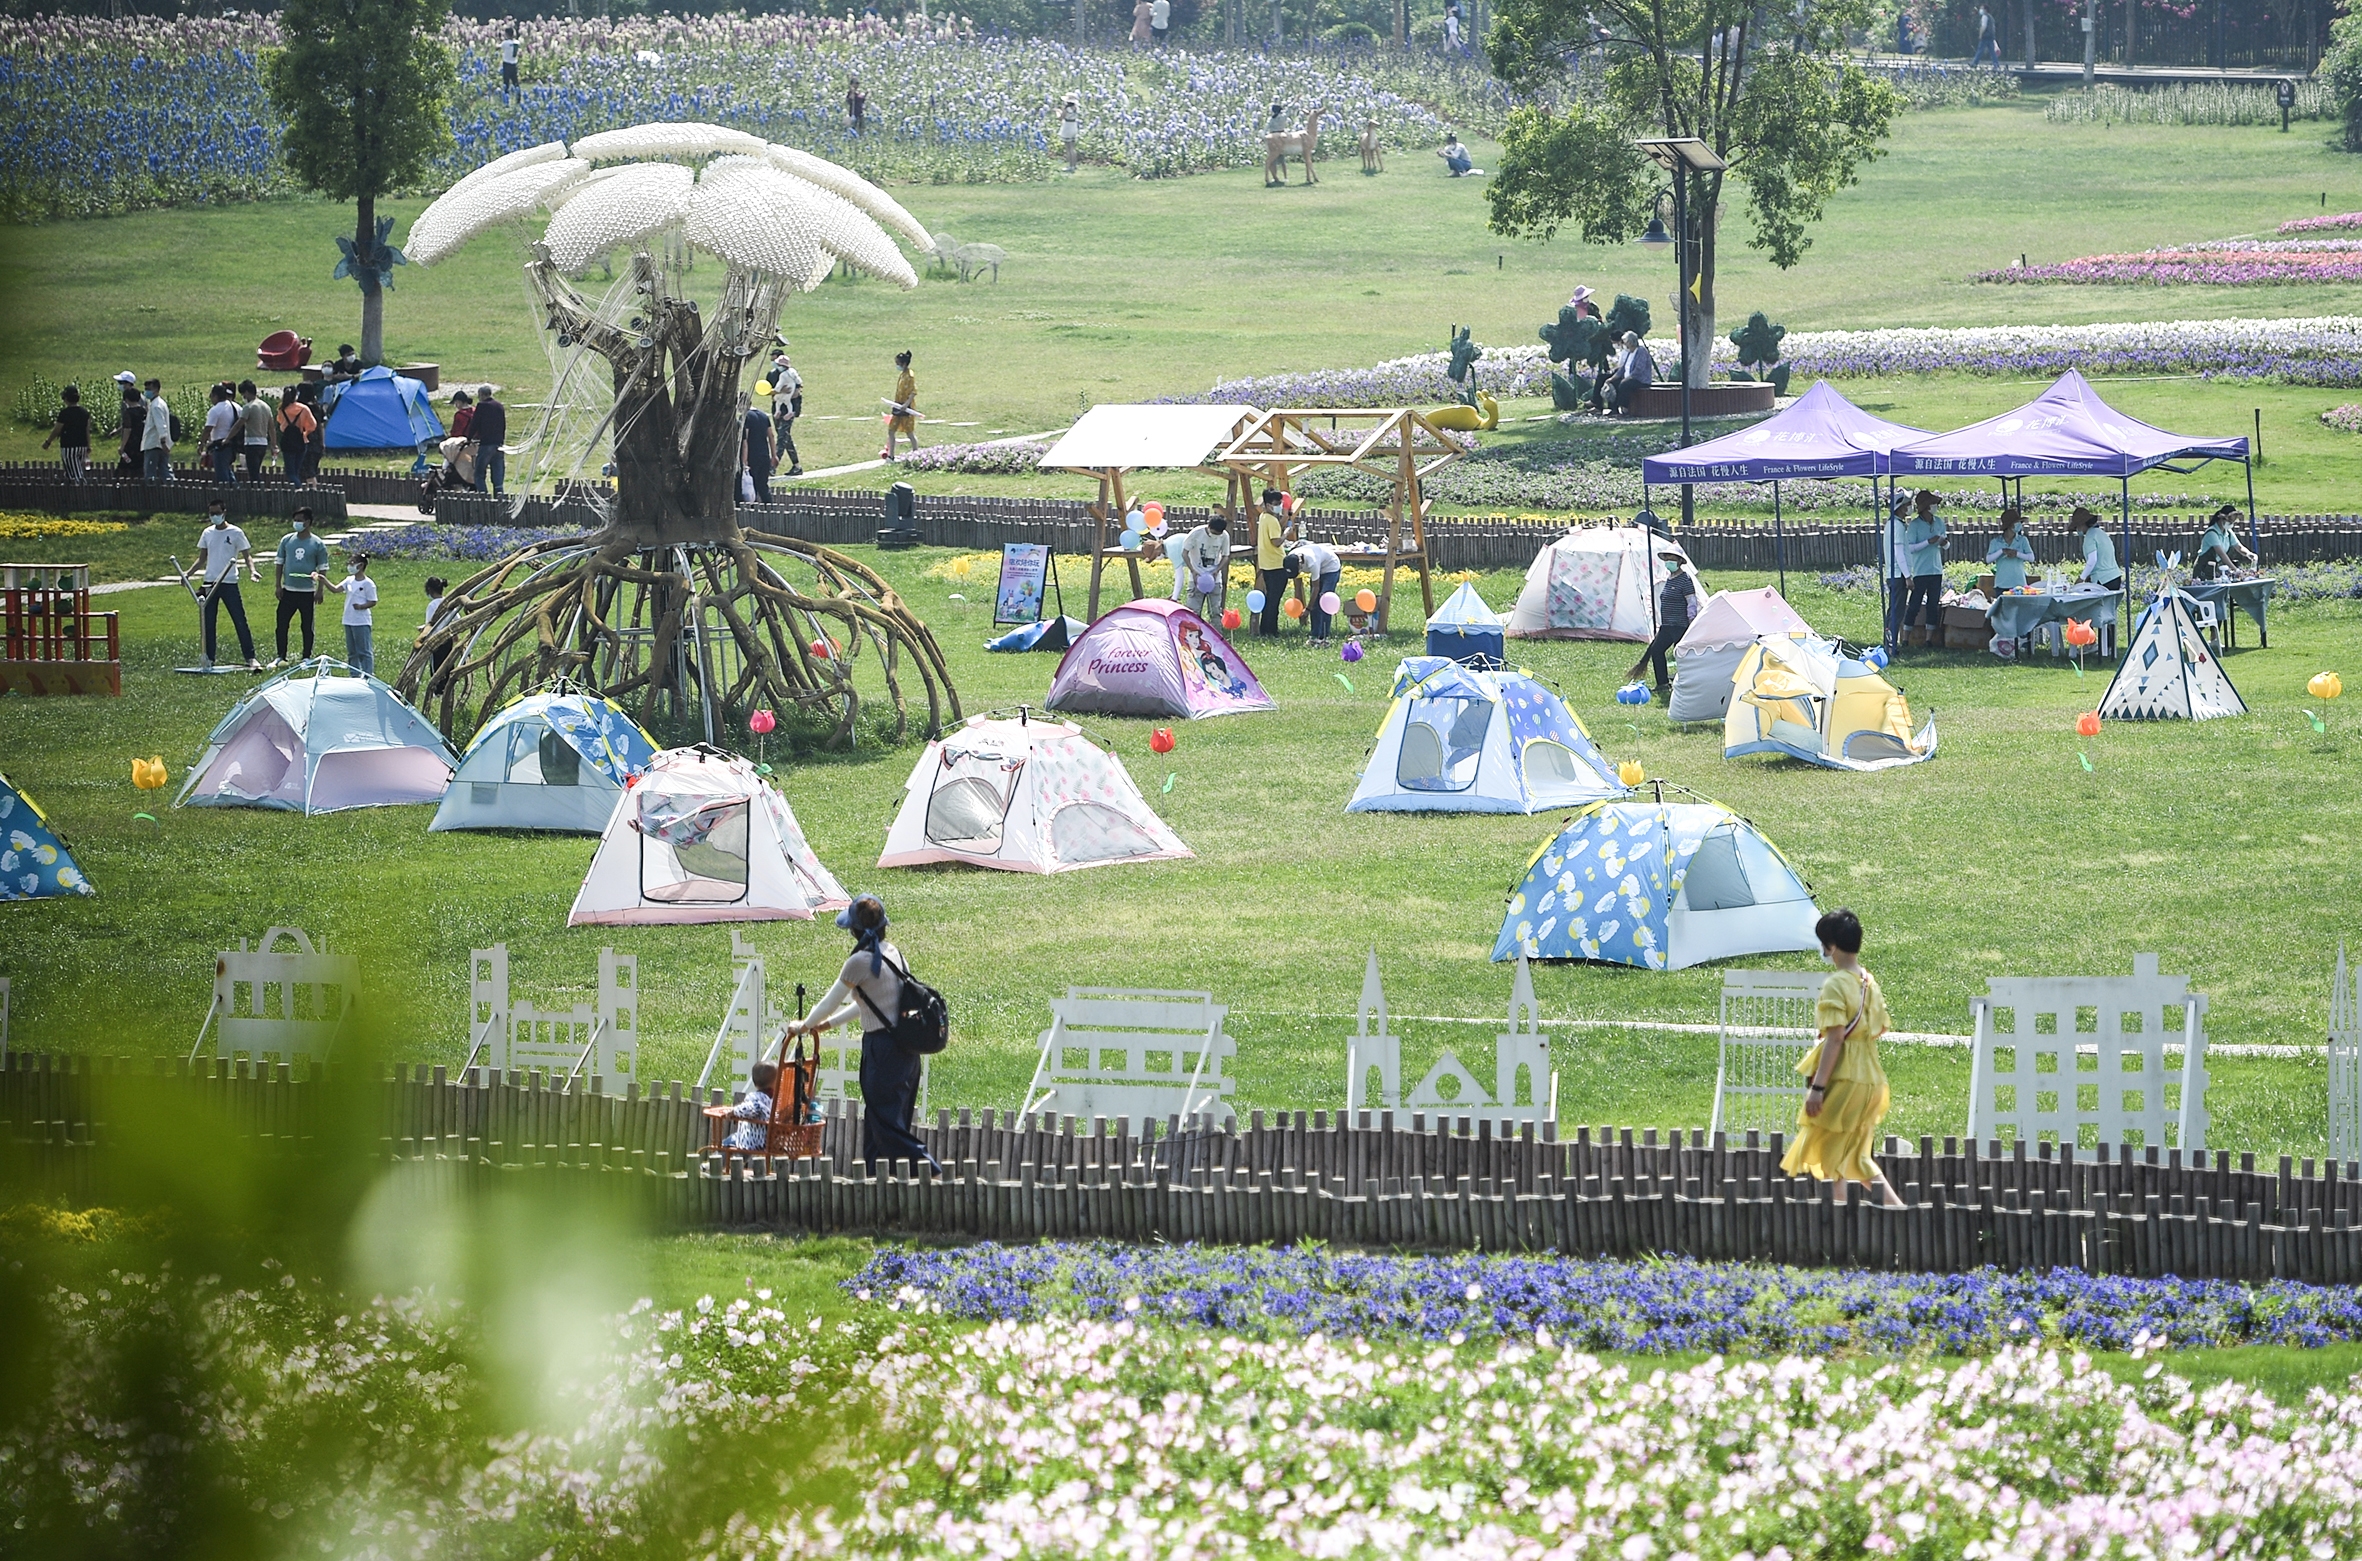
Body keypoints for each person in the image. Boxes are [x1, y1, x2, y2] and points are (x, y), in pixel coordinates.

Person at [780, 893, 940, 1174]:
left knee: (885, 1123)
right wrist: (827, 1026)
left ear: (855, 930)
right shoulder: (894, 953)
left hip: (882, 1049)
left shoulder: (858, 962)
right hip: (905, 1049)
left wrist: (803, 1026)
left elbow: (829, 1003)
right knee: (885, 1120)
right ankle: (874, 1179)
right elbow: (868, 1005)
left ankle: (931, 1172)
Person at [1778, 909, 1904, 1207]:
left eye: (1824, 943)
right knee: (1856, 1158)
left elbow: (1835, 1039)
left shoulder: (1837, 984)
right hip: (1871, 1078)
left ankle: (1840, 1229)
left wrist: (1817, 1088)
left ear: (1831, 945)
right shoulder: (1869, 983)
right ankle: (1902, 1214)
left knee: (1832, 1155)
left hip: (1845, 1080)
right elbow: (1879, 1028)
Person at [192, 500, 262, 671]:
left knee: (239, 620)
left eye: (217, 512)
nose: (214, 516)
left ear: (224, 512)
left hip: (229, 582)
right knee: (208, 622)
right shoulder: (207, 533)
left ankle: (250, 657)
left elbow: (247, 556)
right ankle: (209, 658)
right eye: (211, 513)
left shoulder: (236, 532)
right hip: (210, 582)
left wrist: (252, 571)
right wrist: (188, 574)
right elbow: (202, 558)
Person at [1626, 547, 1696, 693]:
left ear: (1680, 561)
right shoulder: (1669, 579)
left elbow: (1691, 602)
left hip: (1680, 625)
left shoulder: (1685, 580)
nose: (1669, 561)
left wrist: (1691, 621)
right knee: (1657, 651)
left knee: (1681, 655)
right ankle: (1662, 684)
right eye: (1667, 558)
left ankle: (1686, 683)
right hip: (1667, 625)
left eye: (1673, 559)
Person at [273, 507, 329, 664]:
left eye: (300, 520)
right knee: (282, 623)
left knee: (306, 625)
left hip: (307, 592)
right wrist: (278, 585)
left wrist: (320, 590)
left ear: (308, 522)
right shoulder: (287, 540)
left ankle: (306, 656)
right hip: (288, 591)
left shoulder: (317, 543)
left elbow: (322, 568)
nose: (296, 523)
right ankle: (281, 655)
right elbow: (279, 563)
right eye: (295, 520)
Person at [1901, 489, 1946, 645]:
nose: (1935, 506)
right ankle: (1906, 638)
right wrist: (1928, 542)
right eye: (1933, 504)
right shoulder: (1914, 525)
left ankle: (1928, 639)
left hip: (1936, 570)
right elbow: (1910, 548)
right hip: (1920, 570)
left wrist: (1944, 543)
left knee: (1933, 606)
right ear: (1926, 506)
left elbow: (1945, 544)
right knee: (1914, 605)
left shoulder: (1939, 522)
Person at [715, 1060, 779, 1152]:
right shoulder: (774, 1099)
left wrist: (735, 1111)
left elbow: (751, 1107)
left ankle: (715, 1161)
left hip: (751, 1140)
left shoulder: (755, 1097)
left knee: (729, 1142)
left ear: (755, 1083)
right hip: (767, 1140)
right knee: (735, 1141)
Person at [330, 553, 378, 674]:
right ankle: (354, 675)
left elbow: (373, 601)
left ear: (360, 565)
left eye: (352, 563)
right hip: (348, 619)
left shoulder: (368, 583)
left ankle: (367, 674)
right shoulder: (349, 580)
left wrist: (361, 606)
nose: (349, 566)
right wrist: (323, 580)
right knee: (352, 652)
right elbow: (335, 589)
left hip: (361, 620)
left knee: (364, 651)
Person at [1293, 535, 1342, 643]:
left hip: (1331, 568)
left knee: (1324, 599)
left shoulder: (1312, 562)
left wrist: (1308, 609)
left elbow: (1316, 588)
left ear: (1300, 565)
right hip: (1320, 568)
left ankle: (1324, 636)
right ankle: (1315, 635)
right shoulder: (1292, 557)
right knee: (1315, 603)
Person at [1179, 514, 1227, 619]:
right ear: (1209, 527)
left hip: (1215, 578)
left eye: (1219, 534)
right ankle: (1192, 633)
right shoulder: (1196, 534)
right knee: (1193, 612)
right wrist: (1193, 571)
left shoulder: (1224, 536)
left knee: (1215, 612)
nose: (1216, 536)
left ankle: (1216, 634)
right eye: (1214, 533)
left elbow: (1225, 556)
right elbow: (1184, 553)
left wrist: (1217, 571)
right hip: (1196, 577)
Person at [1253, 490, 1288, 636]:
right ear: (1267, 504)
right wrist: (1286, 532)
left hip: (1267, 564)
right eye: (1276, 504)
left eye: (1281, 503)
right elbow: (1276, 541)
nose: (1279, 506)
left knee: (1270, 598)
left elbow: (1273, 532)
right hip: (1277, 564)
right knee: (1274, 601)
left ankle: (1265, 628)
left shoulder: (1264, 516)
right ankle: (1271, 630)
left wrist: (1284, 519)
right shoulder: (1272, 520)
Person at [2193, 504, 2257, 581]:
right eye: (2229, 522)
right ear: (2222, 519)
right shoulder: (2211, 533)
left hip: (2214, 568)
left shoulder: (2228, 533)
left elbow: (2239, 547)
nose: (2231, 524)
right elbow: (2221, 554)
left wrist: (2249, 554)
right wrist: (2236, 570)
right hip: (2202, 569)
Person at [42, 384, 90, 483]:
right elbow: (87, 430)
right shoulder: (84, 412)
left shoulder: (64, 413)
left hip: (69, 446)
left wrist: (48, 442)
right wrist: (88, 445)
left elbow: (57, 430)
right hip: (82, 445)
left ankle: (83, 491)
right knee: (73, 471)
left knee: (76, 474)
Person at [1882, 491, 1913, 645]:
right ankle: (1891, 644)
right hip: (1898, 574)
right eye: (1907, 504)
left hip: (1892, 574)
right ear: (1900, 508)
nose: (1910, 507)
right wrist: (1907, 576)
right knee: (1897, 612)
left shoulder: (1891, 524)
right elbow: (1899, 552)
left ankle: (1889, 642)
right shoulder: (1898, 526)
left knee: (1892, 611)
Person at [1984, 507, 2036, 593]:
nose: (2020, 524)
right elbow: (1988, 559)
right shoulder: (1995, 542)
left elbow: (2031, 557)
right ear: (2010, 525)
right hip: (2001, 584)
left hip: (2019, 584)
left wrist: (2017, 554)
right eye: (2017, 522)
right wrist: (2002, 551)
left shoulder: (2022, 540)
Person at [767, 351, 803, 474]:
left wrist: (793, 392)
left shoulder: (791, 373)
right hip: (777, 407)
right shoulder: (772, 375)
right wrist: (779, 391)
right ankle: (797, 466)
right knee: (785, 437)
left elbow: (798, 388)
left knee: (782, 437)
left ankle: (772, 467)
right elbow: (769, 391)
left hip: (788, 408)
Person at [1601, 332, 1654, 415]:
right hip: (1629, 378)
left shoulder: (1641, 351)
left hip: (1640, 380)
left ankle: (1624, 407)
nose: (1624, 344)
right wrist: (1612, 379)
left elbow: (1639, 369)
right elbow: (1623, 369)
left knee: (1624, 384)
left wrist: (1628, 378)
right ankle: (1613, 409)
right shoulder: (1629, 353)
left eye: (1626, 342)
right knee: (1614, 383)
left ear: (1630, 342)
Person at [881, 350, 919, 461]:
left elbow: (913, 392)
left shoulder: (910, 376)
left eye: (898, 363)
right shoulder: (902, 375)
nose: (897, 366)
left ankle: (916, 454)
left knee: (909, 432)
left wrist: (906, 405)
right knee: (891, 430)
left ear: (903, 364)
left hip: (907, 407)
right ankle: (891, 456)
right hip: (898, 405)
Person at [469, 388, 508, 496]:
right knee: (497, 474)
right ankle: (499, 497)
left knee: (479, 473)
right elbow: (503, 425)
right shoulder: (499, 406)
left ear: (481, 395)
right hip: (499, 444)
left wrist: (469, 438)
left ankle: (484, 496)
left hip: (486, 444)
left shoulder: (481, 406)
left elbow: (475, 424)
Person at [277, 385, 319, 483]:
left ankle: (297, 487)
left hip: (287, 442)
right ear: (296, 395)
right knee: (296, 470)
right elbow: (313, 425)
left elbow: (280, 422)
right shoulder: (303, 408)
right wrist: (305, 432)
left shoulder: (282, 409)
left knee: (290, 472)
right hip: (301, 441)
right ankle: (298, 489)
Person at [2074, 507, 2122, 592]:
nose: (2078, 529)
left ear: (2083, 524)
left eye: (2078, 526)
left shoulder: (2090, 537)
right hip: (2115, 577)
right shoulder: (2101, 533)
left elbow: (2092, 560)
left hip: (2103, 579)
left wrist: (2081, 578)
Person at [742, 390, 775, 505]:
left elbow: (745, 440)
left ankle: (753, 511)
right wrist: (774, 455)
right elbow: (771, 435)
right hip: (764, 454)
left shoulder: (746, 417)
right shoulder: (764, 416)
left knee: (752, 486)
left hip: (752, 455)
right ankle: (769, 508)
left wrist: (744, 461)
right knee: (763, 485)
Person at [203, 383, 240, 484]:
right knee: (227, 470)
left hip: (220, 445)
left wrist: (202, 443)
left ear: (215, 396)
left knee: (222, 474)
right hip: (233, 443)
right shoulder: (236, 407)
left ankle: (226, 494)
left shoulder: (215, 410)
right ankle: (236, 491)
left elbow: (208, 429)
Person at [140, 377, 174, 483]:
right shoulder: (159, 403)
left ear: (156, 389)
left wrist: (163, 441)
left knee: (150, 473)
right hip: (159, 444)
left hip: (155, 444)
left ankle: (153, 494)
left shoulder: (156, 406)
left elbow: (161, 425)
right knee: (164, 470)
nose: (146, 391)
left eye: (149, 389)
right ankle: (172, 489)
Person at [238, 381, 273, 481]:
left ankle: (256, 490)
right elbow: (271, 427)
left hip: (251, 442)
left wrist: (228, 438)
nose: (244, 397)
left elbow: (239, 425)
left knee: (253, 472)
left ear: (247, 392)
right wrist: (273, 444)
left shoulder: (248, 407)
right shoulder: (266, 407)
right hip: (263, 442)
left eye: (243, 394)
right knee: (256, 469)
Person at [422, 575, 456, 678]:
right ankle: (447, 688)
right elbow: (456, 618)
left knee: (436, 665)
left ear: (429, 590)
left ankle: (437, 689)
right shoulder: (449, 602)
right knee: (447, 663)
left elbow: (430, 624)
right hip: (448, 637)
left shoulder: (432, 605)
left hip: (436, 639)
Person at [114, 372, 145, 475]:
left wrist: (122, 446)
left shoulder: (129, 410)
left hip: (131, 442)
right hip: (142, 441)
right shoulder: (143, 410)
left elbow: (128, 427)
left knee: (126, 464)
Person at [1058, 92, 1081, 174]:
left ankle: (1071, 166)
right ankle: (1074, 165)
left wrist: (1058, 112)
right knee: (1073, 147)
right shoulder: (1076, 108)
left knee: (1068, 148)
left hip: (1067, 126)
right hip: (1074, 125)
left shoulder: (1066, 108)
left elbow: (1061, 118)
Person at [499, 23, 521, 103]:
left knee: (506, 83)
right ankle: (518, 99)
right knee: (516, 82)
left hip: (507, 64)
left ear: (507, 34)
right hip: (514, 64)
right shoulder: (517, 43)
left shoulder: (505, 43)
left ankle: (506, 100)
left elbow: (498, 47)